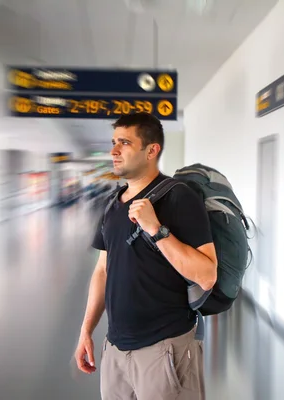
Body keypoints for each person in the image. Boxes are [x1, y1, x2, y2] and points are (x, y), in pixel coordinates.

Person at [74, 112, 217, 400]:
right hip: (114, 350)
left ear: (152, 150)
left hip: (165, 349)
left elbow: (207, 275)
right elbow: (103, 270)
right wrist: (86, 330)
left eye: (124, 143)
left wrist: (156, 229)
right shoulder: (111, 204)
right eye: (114, 142)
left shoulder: (179, 197)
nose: (113, 150)